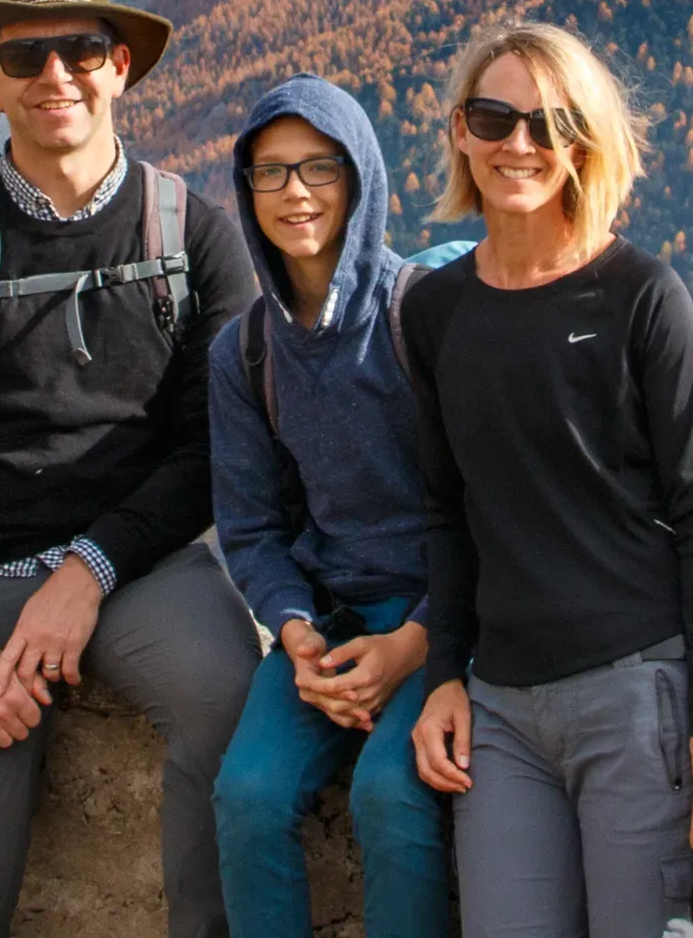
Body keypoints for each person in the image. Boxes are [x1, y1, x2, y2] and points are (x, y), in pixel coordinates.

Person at [0, 0, 262, 938]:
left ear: (119, 64)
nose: (57, 77)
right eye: (26, 58)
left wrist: (87, 571)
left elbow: (221, 444)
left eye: (80, 50)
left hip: (138, 563)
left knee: (226, 705)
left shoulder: (191, 235)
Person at [403, 22, 693, 937]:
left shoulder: (642, 298)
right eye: (494, 117)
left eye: (548, 123)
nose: (519, 144)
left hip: (638, 696)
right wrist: (447, 674)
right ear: (459, 132)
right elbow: (450, 513)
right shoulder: (436, 310)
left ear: (582, 142)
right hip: (505, 711)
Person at [206, 75, 448, 938]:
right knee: (246, 794)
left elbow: (488, 512)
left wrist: (411, 643)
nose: (295, 193)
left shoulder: (420, 317)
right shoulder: (245, 352)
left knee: (391, 791)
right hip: (330, 620)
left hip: (444, 613)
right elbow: (251, 527)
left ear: (360, 179)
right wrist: (298, 632)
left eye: (319, 168)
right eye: (269, 172)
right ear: (245, 188)